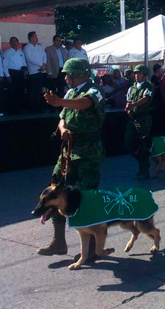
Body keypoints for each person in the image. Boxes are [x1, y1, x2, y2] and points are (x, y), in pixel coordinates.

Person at [39, 58, 106, 256]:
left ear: (82, 74)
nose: (66, 77)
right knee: (56, 192)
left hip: (88, 152)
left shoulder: (95, 90)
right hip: (68, 151)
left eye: (69, 74)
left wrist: (59, 101)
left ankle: (92, 247)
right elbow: (62, 116)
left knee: (87, 197)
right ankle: (58, 242)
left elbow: (85, 104)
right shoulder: (70, 92)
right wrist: (63, 129)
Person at [125, 65, 153, 179]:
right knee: (128, 143)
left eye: (139, 73)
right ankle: (144, 161)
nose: (136, 75)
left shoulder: (148, 86)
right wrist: (128, 108)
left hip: (143, 118)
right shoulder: (131, 88)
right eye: (135, 73)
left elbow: (146, 98)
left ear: (144, 75)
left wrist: (133, 105)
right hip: (133, 118)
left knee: (143, 145)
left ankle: (144, 169)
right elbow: (128, 100)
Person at [24, 31, 47, 113]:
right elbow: (29, 59)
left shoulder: (39, 47)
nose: (37, 38)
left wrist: (44, 64)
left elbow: (44, 55)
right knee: (32, 91)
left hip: (41, 72)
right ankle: (32, 109)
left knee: (39, 90)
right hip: (32, 72)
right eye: (35, 36)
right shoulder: (27, 47)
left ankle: (39, 107)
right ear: (31, 38)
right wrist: (40, 64)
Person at [3, 37, 27, 115]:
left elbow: (23, 62)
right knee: (12, 92)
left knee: (20, 91)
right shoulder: (7, 52)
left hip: (20, 73)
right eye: (12, 41)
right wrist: (7, 75)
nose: (14, 43)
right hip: (11, 73)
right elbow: (4, 65)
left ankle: (19, 109)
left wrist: (25, 70)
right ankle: (11, 110)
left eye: (15, 41)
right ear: (10, 43)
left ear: (18, 42)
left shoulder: (20, 52)